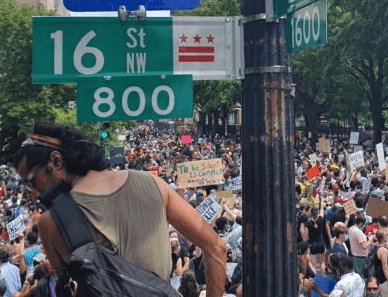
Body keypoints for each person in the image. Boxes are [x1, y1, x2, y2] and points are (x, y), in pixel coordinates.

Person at [12, 123, 227, 297]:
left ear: (56, 161)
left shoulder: (50, 223)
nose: (32, 193)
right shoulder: (153, 184)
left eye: (30, 181)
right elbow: (216, 247)